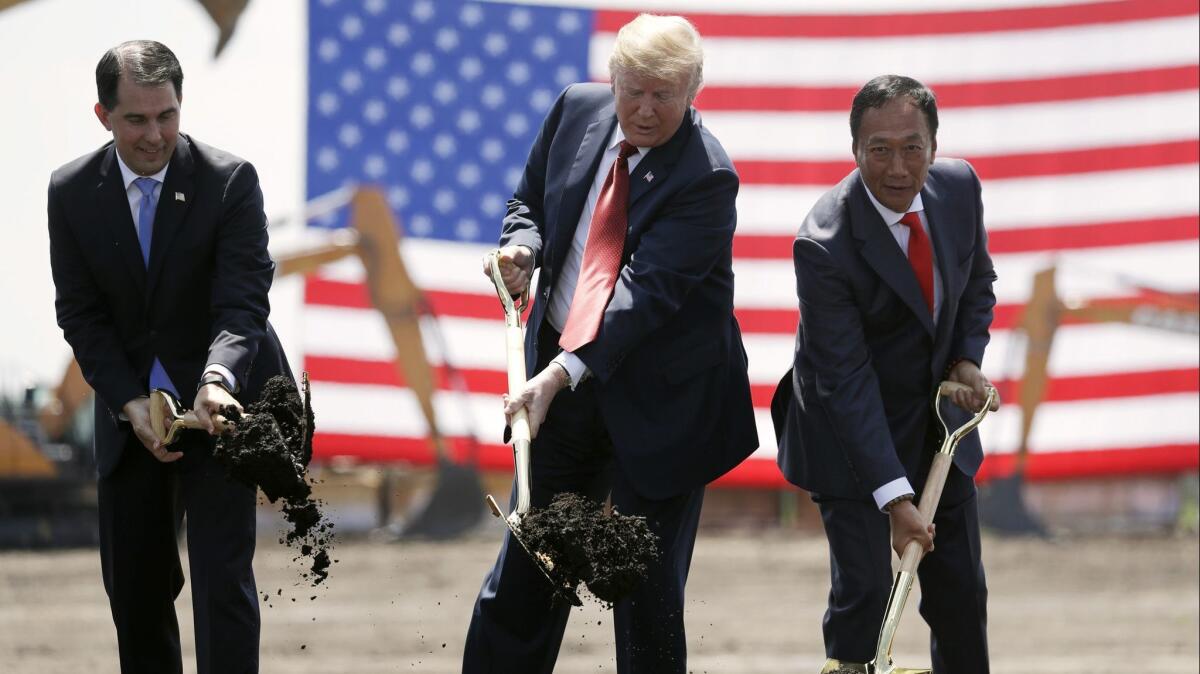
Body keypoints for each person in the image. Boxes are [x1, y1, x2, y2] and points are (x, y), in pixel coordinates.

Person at [464, 14, 758, 673]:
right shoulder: (575, 109)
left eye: (665, 94)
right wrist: (523, 249)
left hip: (663, 406)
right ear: (612, 79)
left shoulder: (707, 178)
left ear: (693, 92)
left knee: (643, 596)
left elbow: (640, 298)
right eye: (635, 91)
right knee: (527, 575)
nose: (646, 110)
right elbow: (530, 201)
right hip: (565, 397)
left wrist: (558, 374)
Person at [47, 40, 291, 674]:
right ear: (103, 115)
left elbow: (242, 302)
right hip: (131, 419)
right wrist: (129, 401)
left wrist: (217, 379)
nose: (154, 135)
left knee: (221, 586)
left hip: (218, 412)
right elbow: (81, 314)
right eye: (136, 119)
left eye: (167, 116)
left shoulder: (229, 182)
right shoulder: (71, 192)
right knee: (135, 591)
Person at [770, 74, 1001, 673]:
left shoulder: (958, 189)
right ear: (855, 150)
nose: (897, 168)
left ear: (934, 145)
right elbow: (843, 379)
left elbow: (977, 283)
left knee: (960, 595)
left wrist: (966, 359)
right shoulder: (824, 243)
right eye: (879, 150)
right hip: (848, 437)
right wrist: (896, 498)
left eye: (912, 147)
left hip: (937, 430)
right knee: (867, 597)